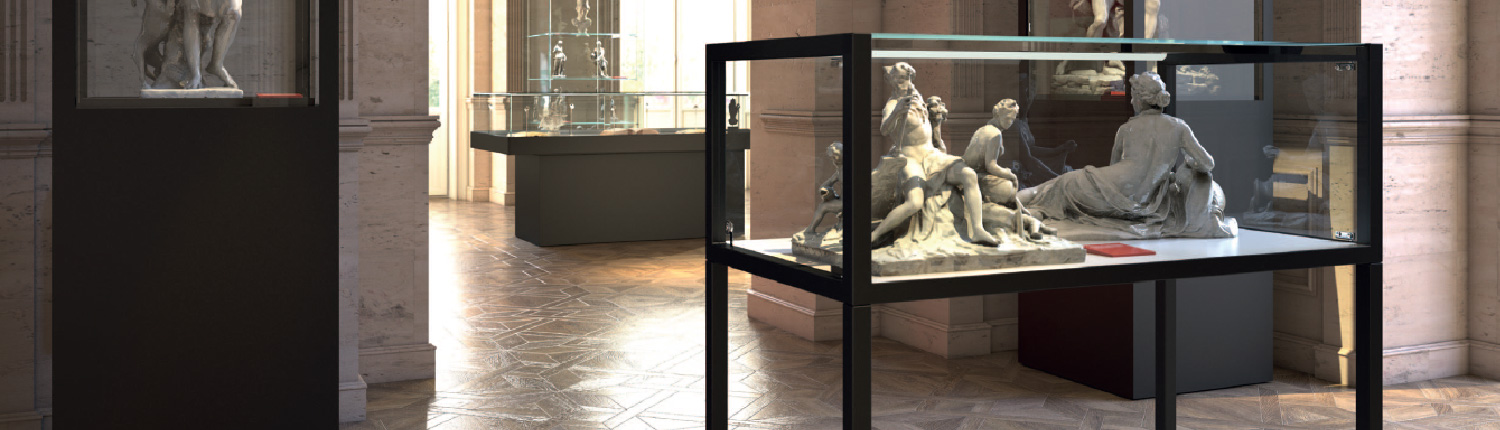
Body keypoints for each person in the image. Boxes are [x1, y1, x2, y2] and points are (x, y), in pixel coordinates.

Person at [1019, 72, 1231, 238]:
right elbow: (1207, 163)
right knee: (1051, 191)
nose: (1131, 102)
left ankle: (1014, 201)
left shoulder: (1127, 128)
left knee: (1054, 186)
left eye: (1133, 97)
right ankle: (1020, 206)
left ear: (1139, 99)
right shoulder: (1179, 127)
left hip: (1109, 187)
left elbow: (1113, 165)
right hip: (1144, 201)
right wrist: (1189, 163)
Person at [872, 63, 999, 245]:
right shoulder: (892, 104)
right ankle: (877, 234)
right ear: (892, 81)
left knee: (969, 175)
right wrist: (897, 111)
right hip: (911, 159)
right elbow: (884, 130)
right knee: (915, 202)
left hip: (932, 156)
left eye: (907, 78)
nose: (905, 83)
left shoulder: (917, 99)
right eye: (899, 79)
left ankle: (978, 230)